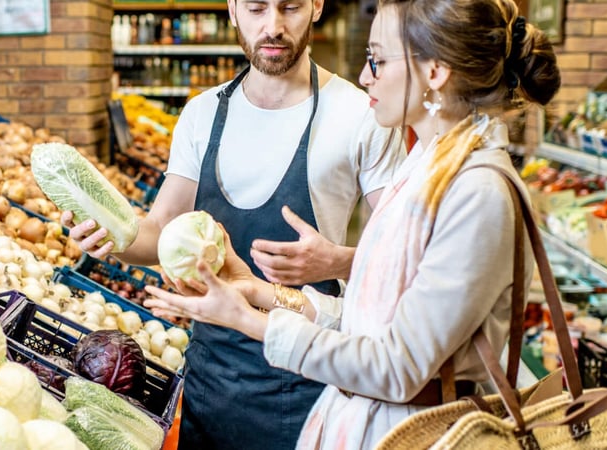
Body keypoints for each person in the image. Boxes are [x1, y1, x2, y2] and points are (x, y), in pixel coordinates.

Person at [144, 0, 562, 448]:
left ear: (436, 72)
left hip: (413, 432)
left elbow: (396, 368)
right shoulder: (428, 169)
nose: (365, 77)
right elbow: (374, 323)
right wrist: (259, 291)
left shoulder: (477, 195)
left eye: (378, 60)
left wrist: (251, 321)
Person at [63, 0, 403, 447]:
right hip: (212, 378)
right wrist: (112, 236)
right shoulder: (201, 114)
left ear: (318, 5)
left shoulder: (361, 115)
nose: (273, 26)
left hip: (310, 373)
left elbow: (401, 261)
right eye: (258, 8)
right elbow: (162, 228)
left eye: (291, 7)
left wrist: (336, 262)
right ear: (232, 9)